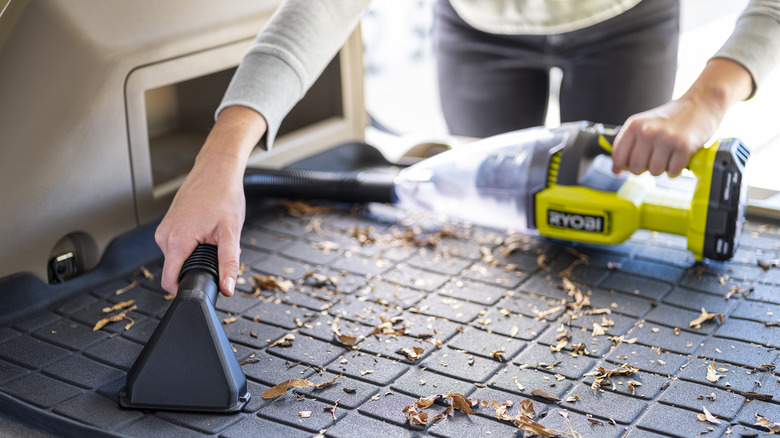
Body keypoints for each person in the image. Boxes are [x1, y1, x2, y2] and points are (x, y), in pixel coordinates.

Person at [155, 0, 780, 297]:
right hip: (477, 27)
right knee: (513, 233)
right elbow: (320, 9)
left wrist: (705, 100)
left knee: (598, 229)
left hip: (626, 20)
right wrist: (223, 156)